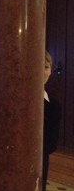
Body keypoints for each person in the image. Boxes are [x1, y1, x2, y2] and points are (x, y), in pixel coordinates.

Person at [42, 51, 61, 191]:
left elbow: (51, 143)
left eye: (46, 66)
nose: (42, 71)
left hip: (40, 162)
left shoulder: (54, 105)